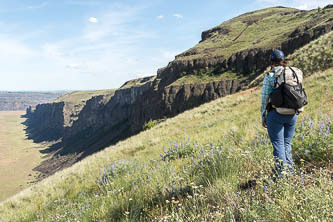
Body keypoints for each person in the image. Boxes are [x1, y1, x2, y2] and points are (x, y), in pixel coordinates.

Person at [261, 49, 299, 178]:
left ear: (272, 61)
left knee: (278, 145)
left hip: (276, 114)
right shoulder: (294, 72)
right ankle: (290, 172)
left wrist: (263, 115)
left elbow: (265, 97)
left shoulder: (271, 75)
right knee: (287, 143)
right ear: (283, 60)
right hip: (292, 113)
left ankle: (282, 176)